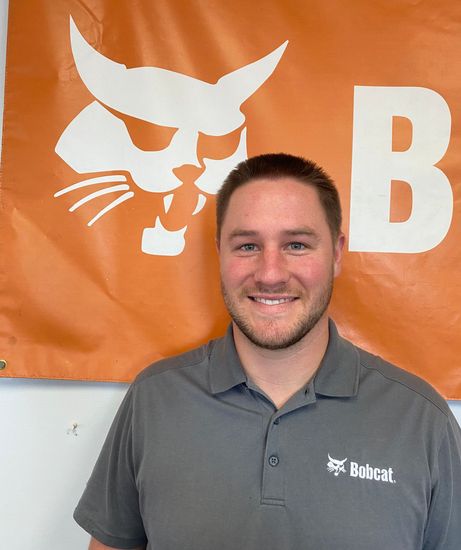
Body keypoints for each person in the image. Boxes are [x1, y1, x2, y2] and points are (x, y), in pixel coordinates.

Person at [75, 153, 461, 550]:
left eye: (296, 244)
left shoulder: (421, 422)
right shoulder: (154, 399)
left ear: (337, 253)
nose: (270, 273)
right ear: (219, 252)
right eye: (246, 246)